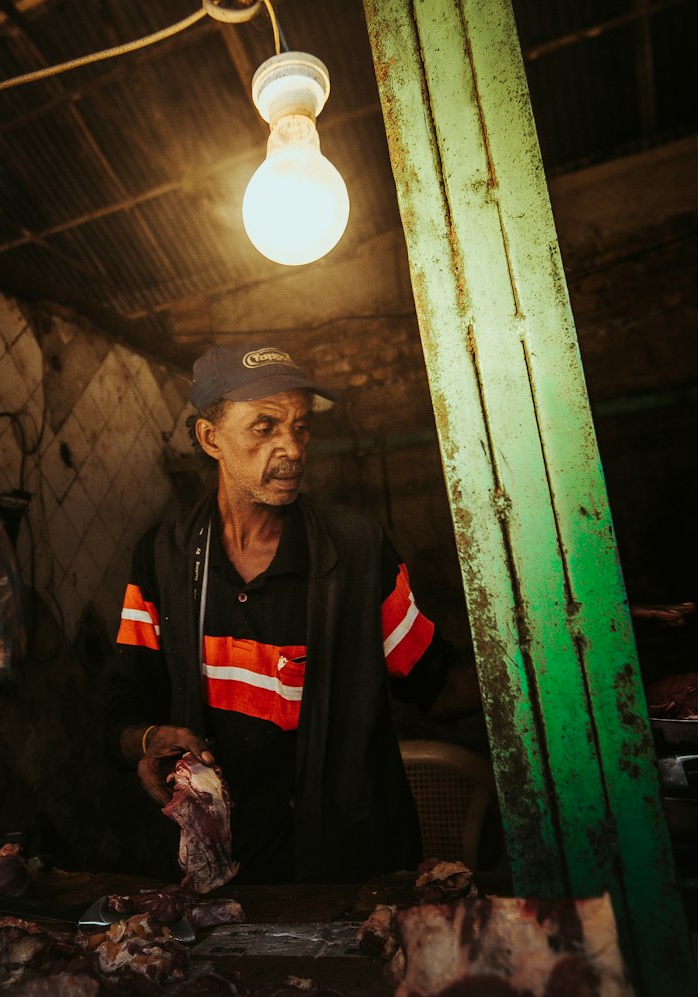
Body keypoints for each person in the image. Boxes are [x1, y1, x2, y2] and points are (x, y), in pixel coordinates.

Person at [104, 342, 472, 884]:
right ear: (212, 440)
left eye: (301, 427)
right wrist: (143, 741)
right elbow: (122, 698)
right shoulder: (165, 557)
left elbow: (434, 682)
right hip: (221, 868)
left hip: (348, 867)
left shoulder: (357, 549)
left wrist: (555, 668)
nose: (293, 449)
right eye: (265, 426)